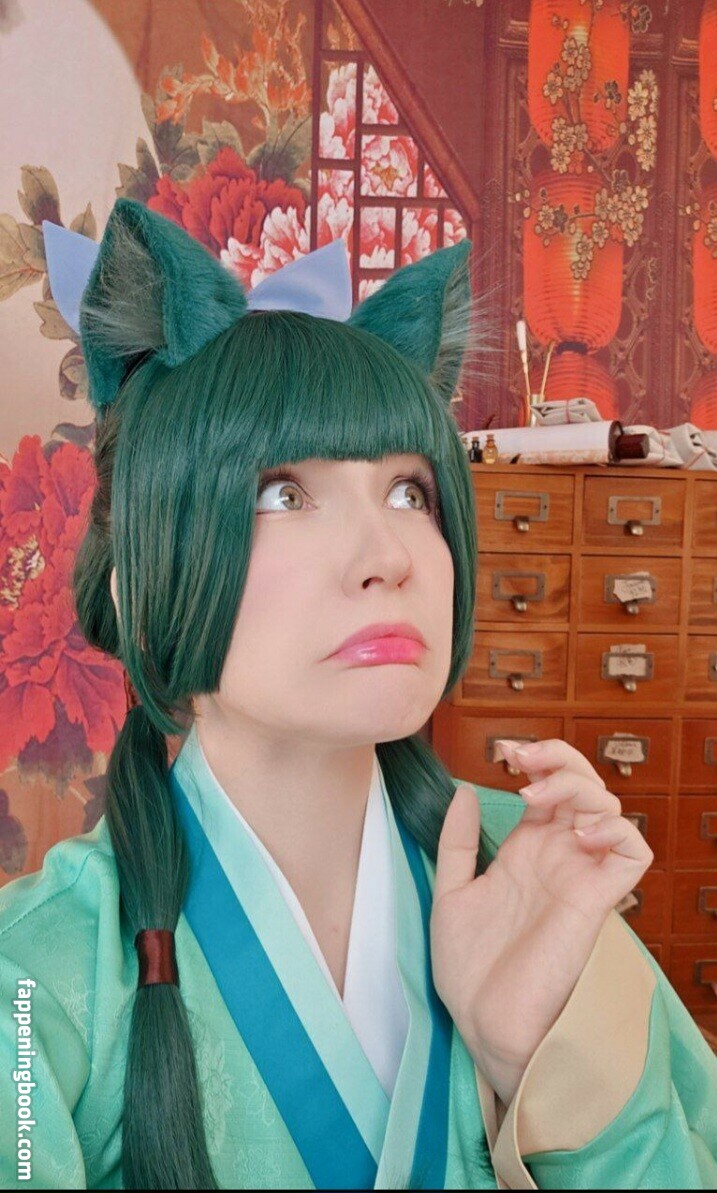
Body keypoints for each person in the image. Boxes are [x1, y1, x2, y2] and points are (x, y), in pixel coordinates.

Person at [0, 197, 716, 1191]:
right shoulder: (35, 976)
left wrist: (539, 1061)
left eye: (411, 492)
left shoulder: (540, 875)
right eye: (282, 492)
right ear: (140, 589)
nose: (389, 554)